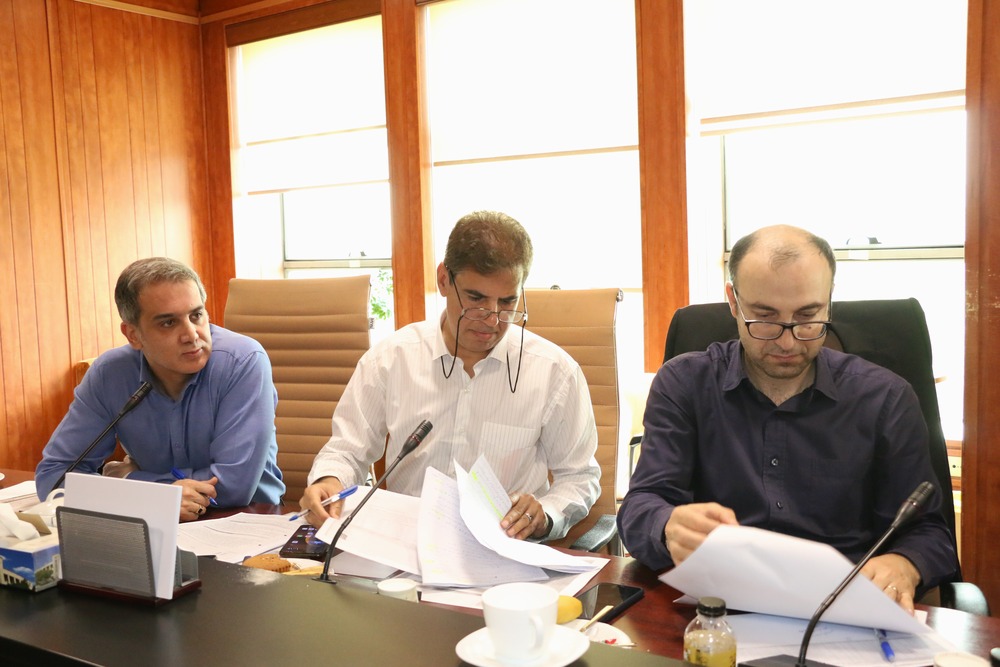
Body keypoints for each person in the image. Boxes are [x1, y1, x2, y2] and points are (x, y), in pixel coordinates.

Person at [617, 225, 959, 613]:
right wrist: (667, 525)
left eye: (807, 316)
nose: (787, 341)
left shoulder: (885, 398)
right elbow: (641, 505)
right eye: (764, 317)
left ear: (829, 302)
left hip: (844, 611)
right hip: (716, 612)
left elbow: (930, 532)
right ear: (734, 302)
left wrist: (904, 564)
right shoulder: (685, 384)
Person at [299, 210, 600, 541]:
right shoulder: (391, 359)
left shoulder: (554, 372)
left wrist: (545, 515)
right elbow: (347, 451)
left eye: (507, 302)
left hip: (504, 552)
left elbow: (579, 477)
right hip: (404, 547)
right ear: (444, 279)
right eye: (476, 298)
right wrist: (330, 480)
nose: (492, 319)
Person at [35, 257, 285, 521]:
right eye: (168, 323)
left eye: (196, 315)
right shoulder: (111, 373)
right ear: (133, 335)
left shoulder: (243, 361)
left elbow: (233, 486)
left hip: (250, 522)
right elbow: (54, 478)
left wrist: (132, 479)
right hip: (152, 525)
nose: (192, 335)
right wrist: (156, 497)